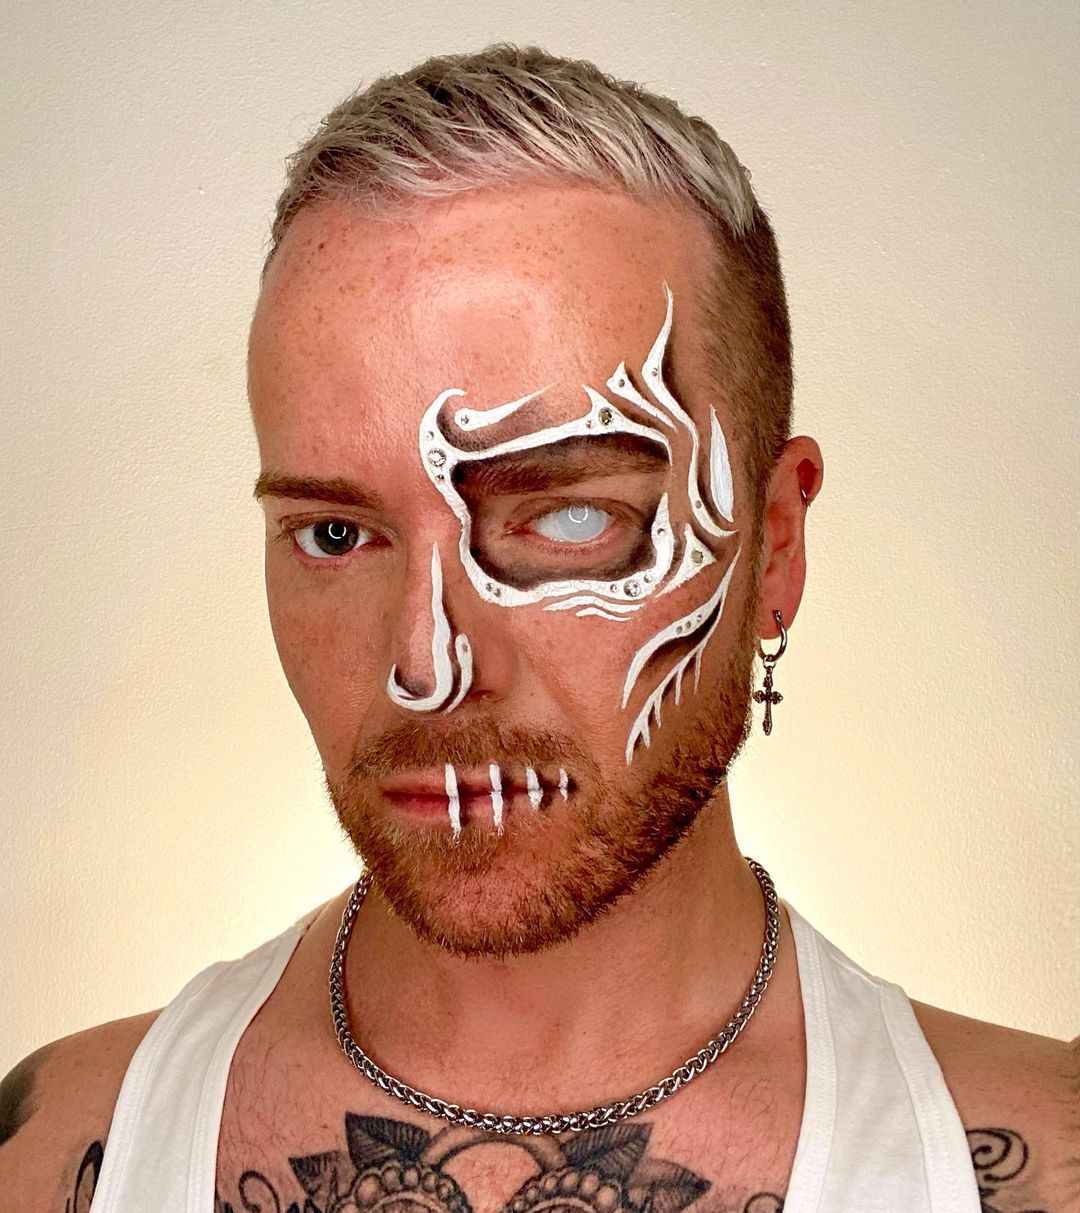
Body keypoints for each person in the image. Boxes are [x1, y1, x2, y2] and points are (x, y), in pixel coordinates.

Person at [2, 44, 1076, 1213]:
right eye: (336, 534)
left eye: (567, 517)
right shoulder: (61, 1151)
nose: (426, 668)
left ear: (775, 544)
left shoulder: (1036, 1159)